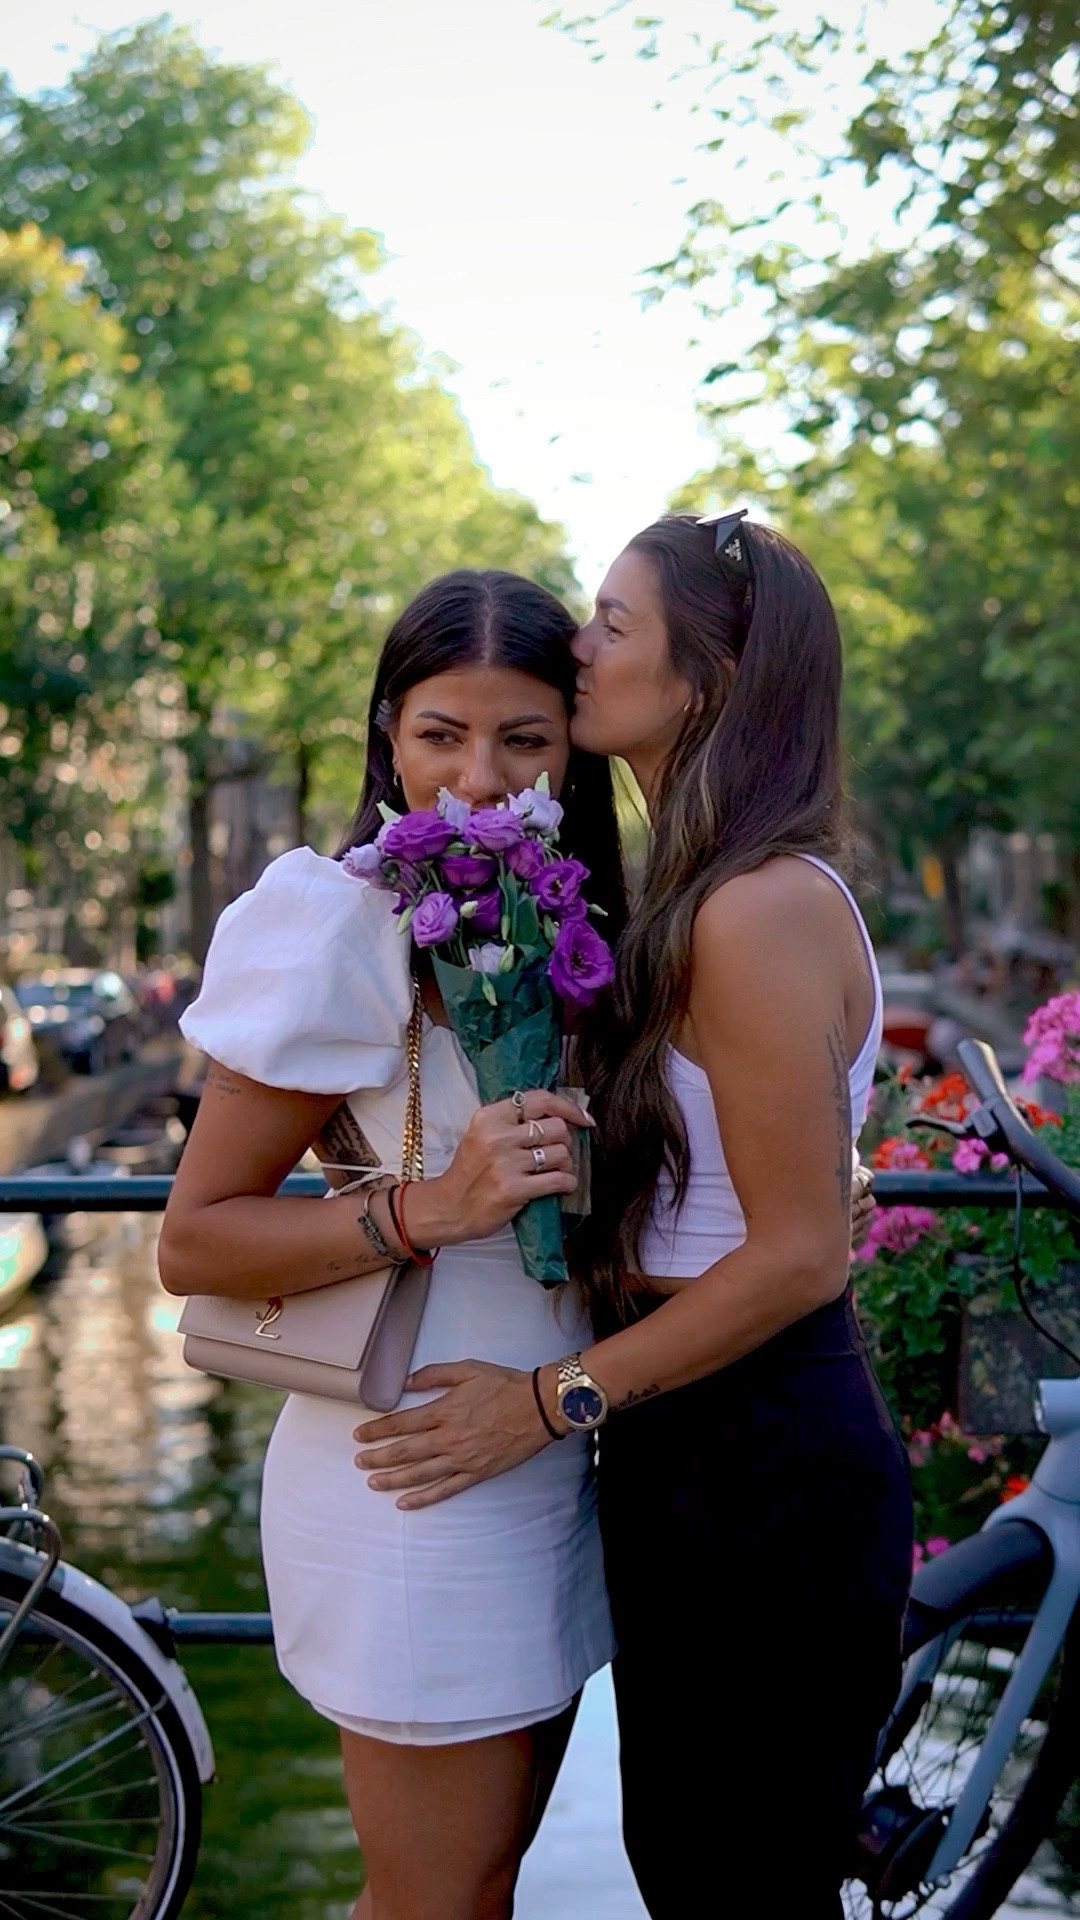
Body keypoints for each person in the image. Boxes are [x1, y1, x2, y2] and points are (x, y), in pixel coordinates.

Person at [353, 514, 913, 1919]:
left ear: (704, 684)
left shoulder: (752, 908)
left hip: (760, 1454)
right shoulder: (702, 889)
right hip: (697, 1443)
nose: (577, 641)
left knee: (732, 1883)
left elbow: (798, 1251)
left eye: (613, 622)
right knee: (700, 1872)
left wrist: (547, 1401)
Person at [158, 569, 626, 1920]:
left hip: (550, 1454)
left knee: (467, 1888)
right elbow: (194, 1241)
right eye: (439, 735)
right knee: (440, 1901)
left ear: (573, 747)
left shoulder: (588, 921)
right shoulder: (339, 920)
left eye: (523, 739)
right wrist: (435, 1207)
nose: (477, 778)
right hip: (411, 1475)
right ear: (388, 732)